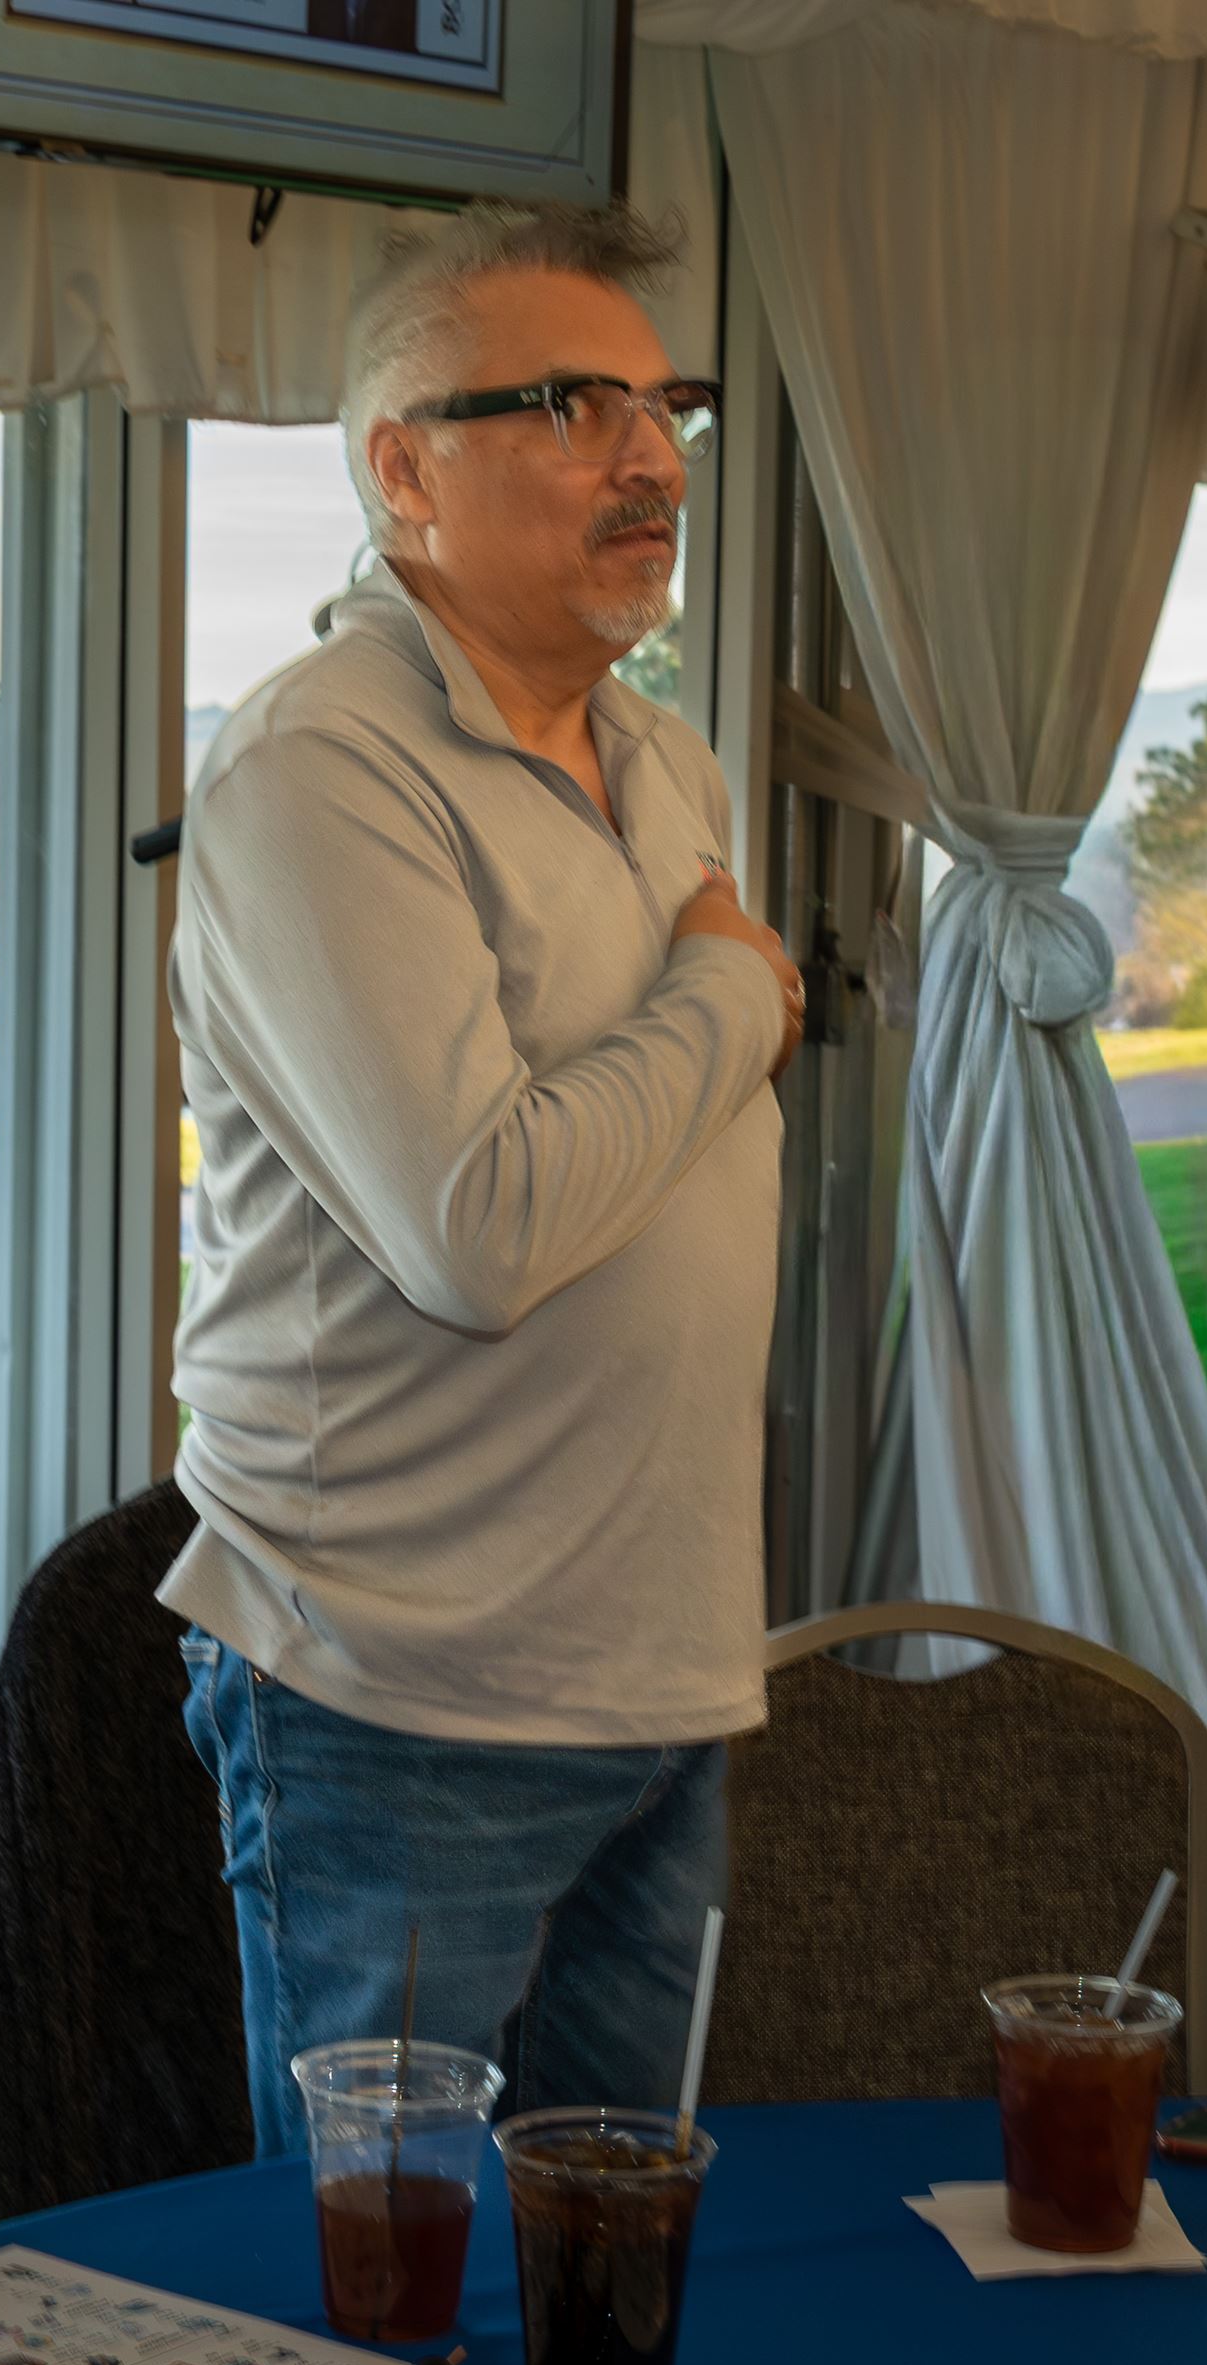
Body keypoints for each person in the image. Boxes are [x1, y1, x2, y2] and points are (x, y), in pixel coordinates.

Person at [165, 203, 805, 2157]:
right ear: (402, 472)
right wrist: (734, 992)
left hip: (662, 1673)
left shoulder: (664, 758)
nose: (652, 458)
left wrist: (709, 1001)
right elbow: (480, 1228)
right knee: (384, 2288)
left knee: (617, 2270)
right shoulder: (315, 768)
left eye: (665, 407)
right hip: (402, 1698)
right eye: (574, 406)